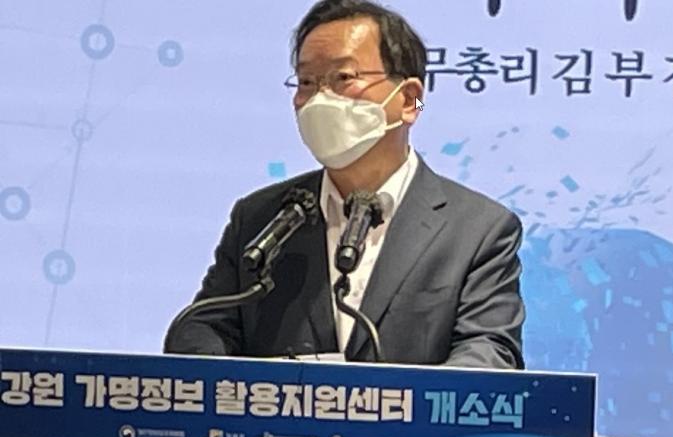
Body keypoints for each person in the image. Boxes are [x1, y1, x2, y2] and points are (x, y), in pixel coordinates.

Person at [165, 0, 525, 369]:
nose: (319, 99)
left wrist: (404, 399)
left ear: (408, 100)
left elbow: (489, 351)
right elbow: (203, 328)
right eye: (306, 82)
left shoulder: (478, 229)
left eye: (342, 78)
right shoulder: (260, 218)